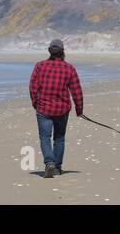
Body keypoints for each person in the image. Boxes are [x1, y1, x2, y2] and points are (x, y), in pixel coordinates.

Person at [28, 38, 83, 178]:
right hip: (62, 109)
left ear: (49, 52)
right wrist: (79, 109)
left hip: (44, 109)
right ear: (63, 52)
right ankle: (57, 167)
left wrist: (36, 103)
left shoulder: (40, 66)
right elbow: (76, 91)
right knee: (59, 138)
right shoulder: (69, 68)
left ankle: (49, 163)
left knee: (45, 137)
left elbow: (33, 87)